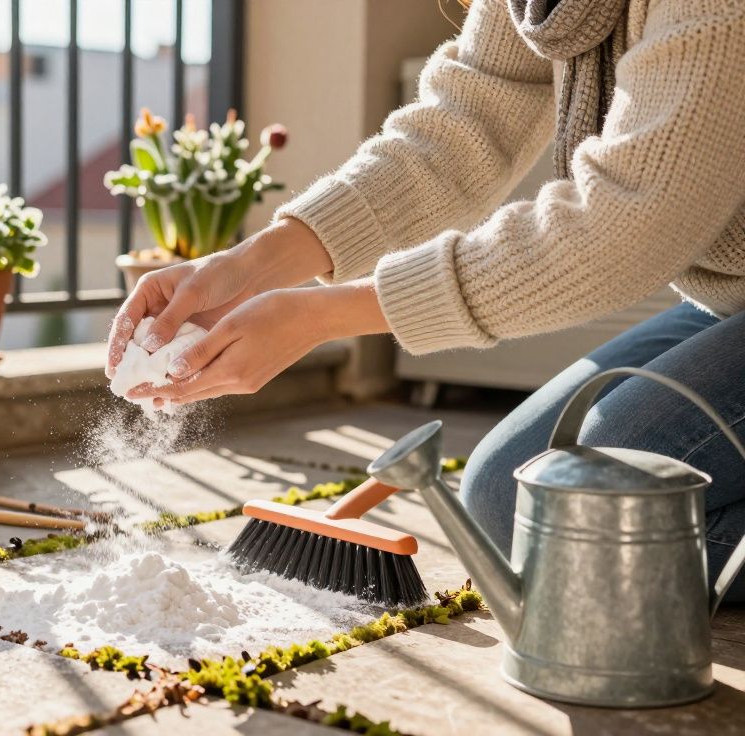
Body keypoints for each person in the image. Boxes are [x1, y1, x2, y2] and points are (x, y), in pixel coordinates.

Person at [105, 0, 745, 597]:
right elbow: (456, 133)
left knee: (575, 538)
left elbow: (621, 227)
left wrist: (324, 316)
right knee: (508, 502)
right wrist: (250, 265)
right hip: (724, 302)